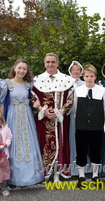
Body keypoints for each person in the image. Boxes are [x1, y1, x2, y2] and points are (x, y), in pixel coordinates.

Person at [0, 59, 44, 186]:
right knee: (14, 144)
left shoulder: (29, 85)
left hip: (26, 117)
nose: (22, 71)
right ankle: (14, 178)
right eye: (20, 68)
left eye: (24, 69)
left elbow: (35, 101)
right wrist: (1, 122)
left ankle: (31, 177)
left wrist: (37, 105)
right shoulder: (5, 84)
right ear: (14, 68)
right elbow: (1, 104)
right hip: (12, 117)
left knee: (28, 144)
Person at [32, 53, 75, 182]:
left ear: (57, 63)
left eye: (53, 62)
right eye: (48, 62)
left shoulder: (67, 79)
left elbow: (71, 99)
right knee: (45, 145)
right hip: (43, 120)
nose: (50, 64)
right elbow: (33, 98)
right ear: (44, 63)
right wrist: (42, 110)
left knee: (61, 145)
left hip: (61, 120)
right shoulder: (37, 80)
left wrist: (61, 111)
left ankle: (57, 173)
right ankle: (45, 172)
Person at [73, 64, 105, 188]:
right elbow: (75, 109)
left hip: (97, 127)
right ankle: (81, 176)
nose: (89, 79)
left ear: (95, 77)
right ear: (83, 77)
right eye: (87, 76)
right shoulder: (78, 90)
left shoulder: (102, 91)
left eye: (91, 76)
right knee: (81, 151)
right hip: (81, 126)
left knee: (95, 151)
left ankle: (95, 176)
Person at [68, 61, 85, 176]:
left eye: (77, 70)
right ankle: (71, 167)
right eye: (73, 70)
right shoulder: (66, 83)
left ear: (81, 71)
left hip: (82, 116)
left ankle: (84, 168)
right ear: (70, 71)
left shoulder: (84, 83)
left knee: (82, 141)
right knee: (71, 140)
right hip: (70, 116)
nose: (75, 71)